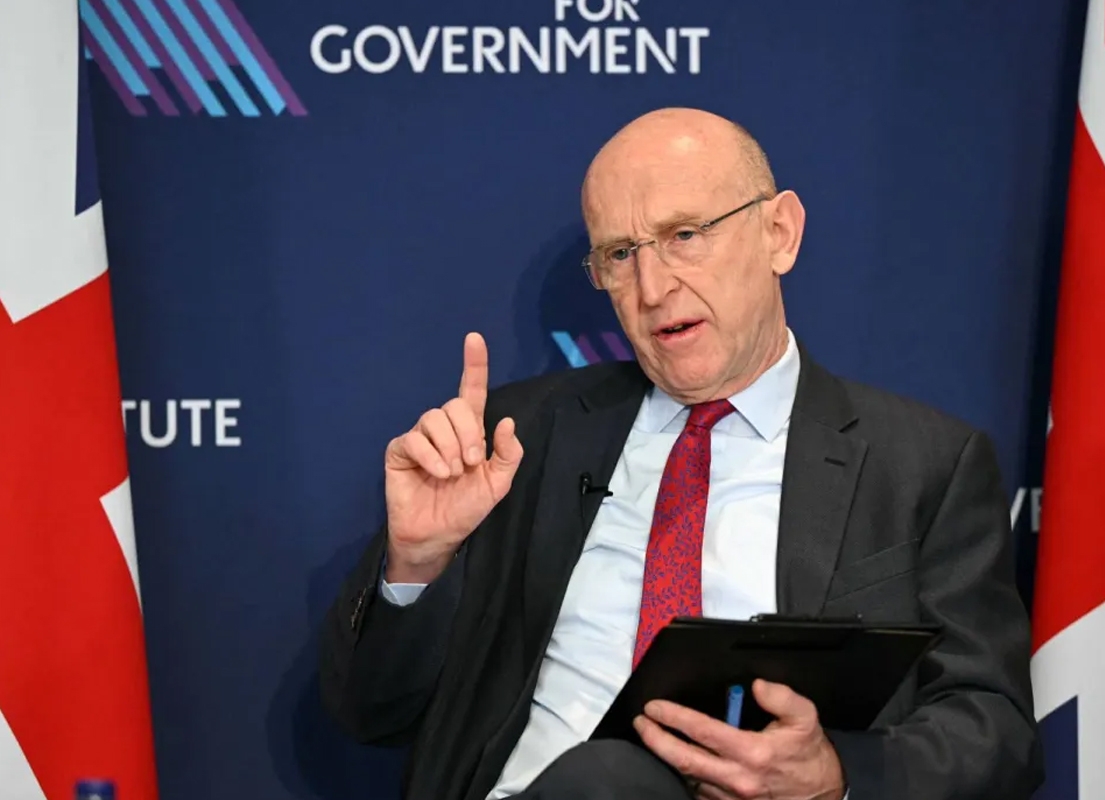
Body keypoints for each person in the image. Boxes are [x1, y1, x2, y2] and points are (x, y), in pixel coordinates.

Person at [319, 107, 1043, 800]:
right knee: (606, 781)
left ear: (780, 234)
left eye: (685, 235)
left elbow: (996, 730)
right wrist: (417, 563)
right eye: (620, 254)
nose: (653, 288)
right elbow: (371, 714)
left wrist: (834, 776)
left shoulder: (920, 464)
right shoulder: (515, 440)